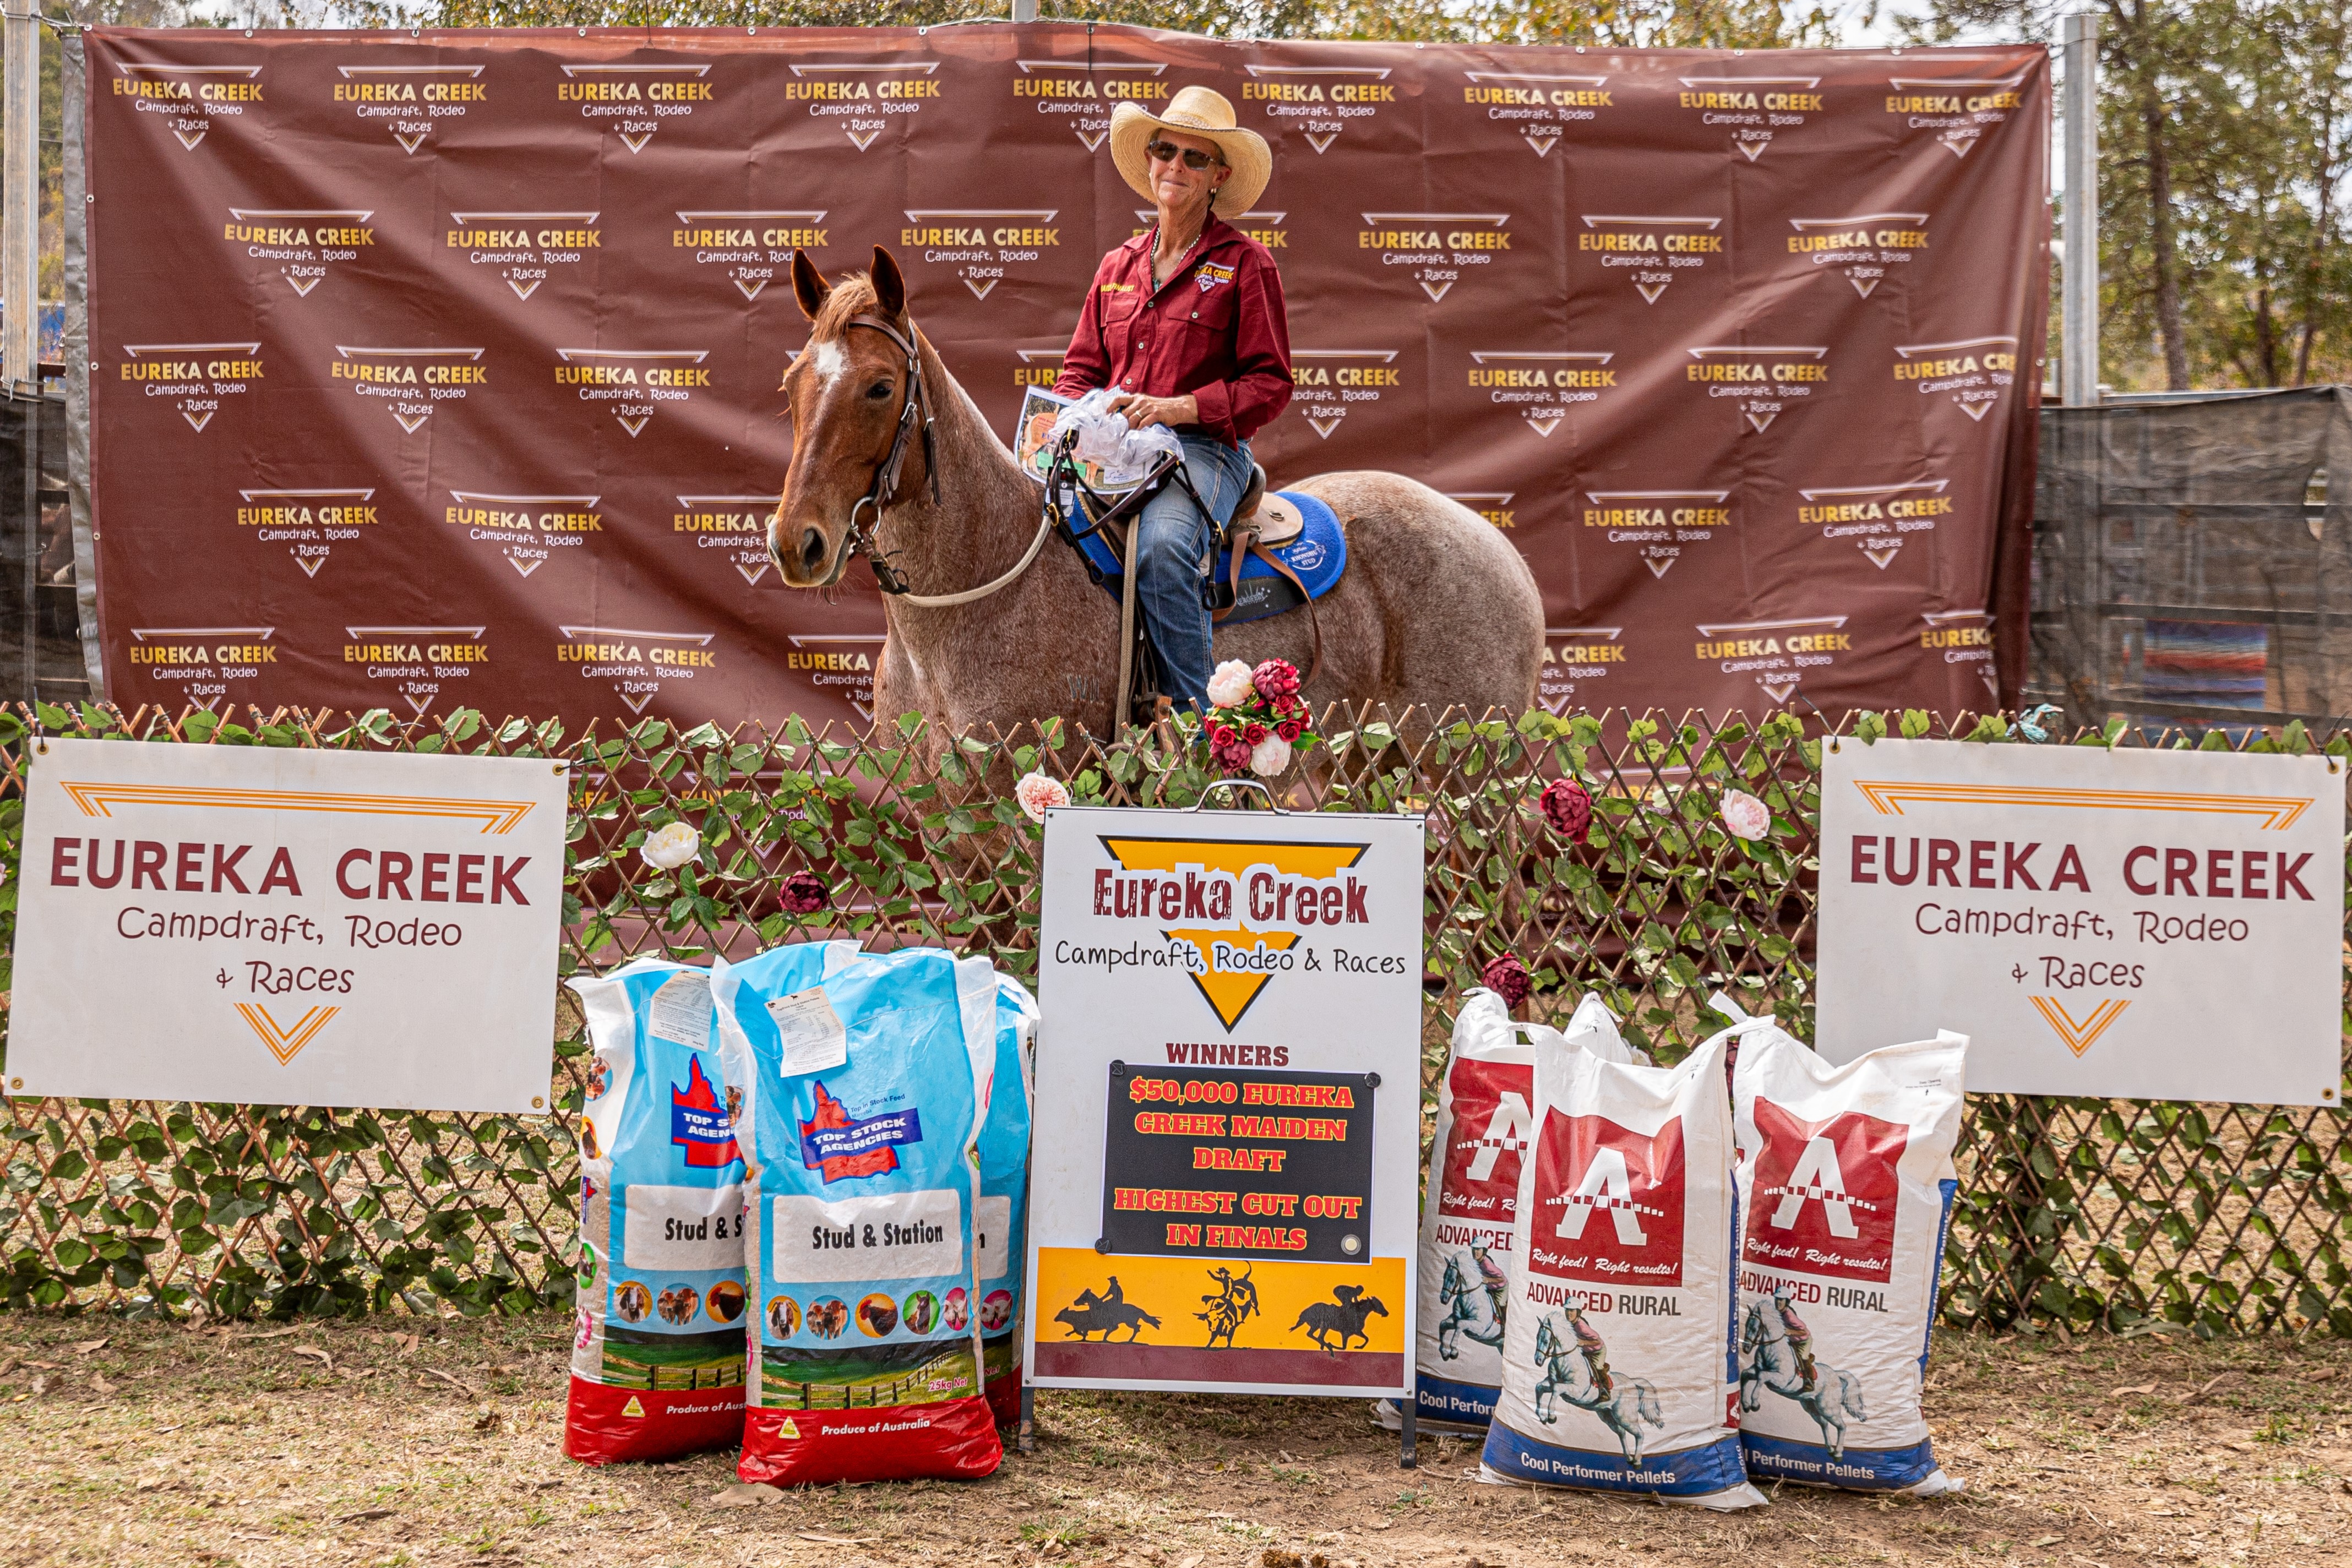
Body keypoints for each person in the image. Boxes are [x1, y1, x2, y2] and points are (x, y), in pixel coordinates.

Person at [1055, 85, 1293, 711]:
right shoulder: (1116, 266)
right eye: (1166, 151)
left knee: (1162, 549)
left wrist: (1181, 407)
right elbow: (1078, 373)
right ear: (1150, 159)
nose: (1176, 166)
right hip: (1112, 452)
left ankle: (1196, 730)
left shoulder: (1247, 264)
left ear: (1219, 176)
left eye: (1196, 157)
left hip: (1203, 451)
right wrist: (1071, 418)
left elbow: (1271, 384)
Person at [1562, 1305, 1613, 1400]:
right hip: (1585, 1350)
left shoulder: (1582, 1327)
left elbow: (1598, 1341)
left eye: (1572, 1310)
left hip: (1597, 1351)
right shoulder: (1568, 1323)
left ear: (1578, 1312)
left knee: (1597, 1366)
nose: (1568, 1313)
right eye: (1567, 1310)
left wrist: (1584, 1342)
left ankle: (1605, 1391)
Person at [1774, 1284, 1819, 1392]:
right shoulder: (1777, 1312)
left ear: (1787, 1301)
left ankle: (1809, 1382)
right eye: (1777, 1299)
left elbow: (1804, 1332)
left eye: (1781, 1300)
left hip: (1804, 1341)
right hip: (1792, 1340)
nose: (1778, 1302)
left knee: (1803, 1357)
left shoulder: (1790, 1316)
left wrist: (1790, 1332)